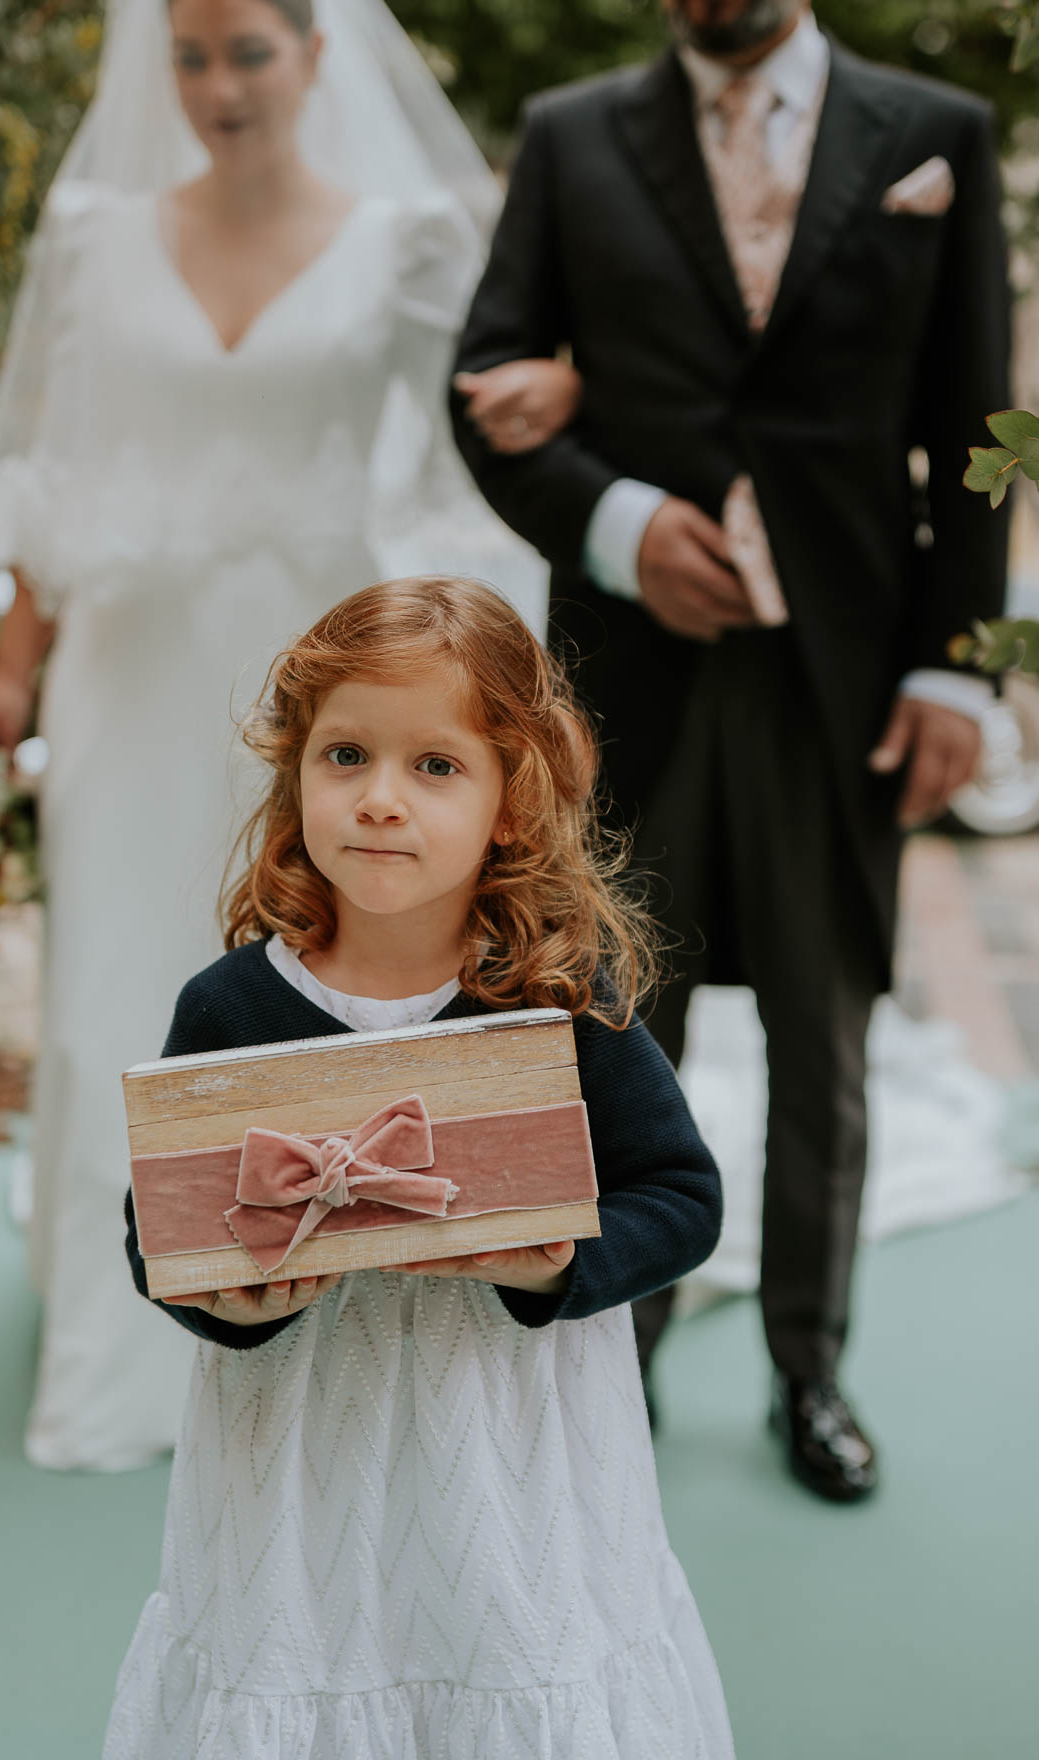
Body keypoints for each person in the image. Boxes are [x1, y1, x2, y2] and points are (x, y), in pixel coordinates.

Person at [0, 0, 574, 1471]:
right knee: (119, 953)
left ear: (315, 55)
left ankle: (315, 1246)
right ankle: (124, 1305)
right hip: (131, 663)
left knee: (298, 943)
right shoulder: (97, 233)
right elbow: (51, 467)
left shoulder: (405, 239)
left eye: (248, 51)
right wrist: (7, 674)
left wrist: (569, 390)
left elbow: (489, 423)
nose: (219, 85)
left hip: (320, 678)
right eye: (191, 55)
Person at [451, 0, 1011, 1501]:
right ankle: (607, 1366)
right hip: (632, 676)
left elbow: (980, 426)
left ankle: (809, 1370)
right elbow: (488, 392)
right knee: (621, 1023)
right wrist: (621, 526)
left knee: (827, 1037)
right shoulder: (574, 138)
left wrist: (956, 676)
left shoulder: (933, 140)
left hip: (845, 672)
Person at [103, 575, 733, 1759]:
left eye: (435, 766)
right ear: (296, 776)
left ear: (510, 799)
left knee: (506, 1656)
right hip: (300, 1443)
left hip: (507, 1435)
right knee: (311, 1651)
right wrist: (232, 1304)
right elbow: (158, 1225)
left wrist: (561, 1267)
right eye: (346, 755)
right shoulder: (231, 1005)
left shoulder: (552, 997)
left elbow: (684, 1197)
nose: (381, 799)